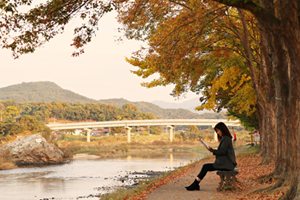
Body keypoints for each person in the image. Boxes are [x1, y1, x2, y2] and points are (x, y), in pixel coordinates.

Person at [185, 122, 237, 191]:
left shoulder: (226, 139)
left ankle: (195, 184)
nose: (218, 133)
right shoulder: (226, 138)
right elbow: (222, 151)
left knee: (205, 166)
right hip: (226, 163)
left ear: (222, 130)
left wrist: (212, 150)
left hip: (226, 165)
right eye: (217, 131)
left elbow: (222, 152)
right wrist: (212, 150)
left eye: (218, 131)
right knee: (206, 166)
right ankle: (195, 184)